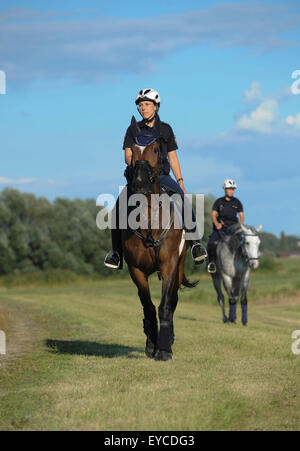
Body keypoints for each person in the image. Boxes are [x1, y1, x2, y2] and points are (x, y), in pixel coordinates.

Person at [104, 88, 207, 269]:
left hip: (161, 176)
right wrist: (137, 163)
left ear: (156, 107)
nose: (143, 108)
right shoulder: (132, 129)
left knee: (182, 199)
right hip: (138, 177)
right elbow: (127, 156)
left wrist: (180, 181)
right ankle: (116, 254)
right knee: (117, 210)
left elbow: (173, 158)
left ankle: (196, 245)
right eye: (141, 105)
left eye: (147, 105)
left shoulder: (165, 129)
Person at [207, 179, 244, 273]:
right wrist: (216, 224)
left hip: (233, 227)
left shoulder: (237, 202)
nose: (231, 191)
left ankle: (244, 262)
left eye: (233, 189)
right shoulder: (219, 202)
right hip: (221, 227)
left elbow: (242, 216)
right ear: (225, 189)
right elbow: (213, 214)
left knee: (244, 242)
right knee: (211, 242)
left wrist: (239, 225)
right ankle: (212, 263)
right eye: (229, 189)